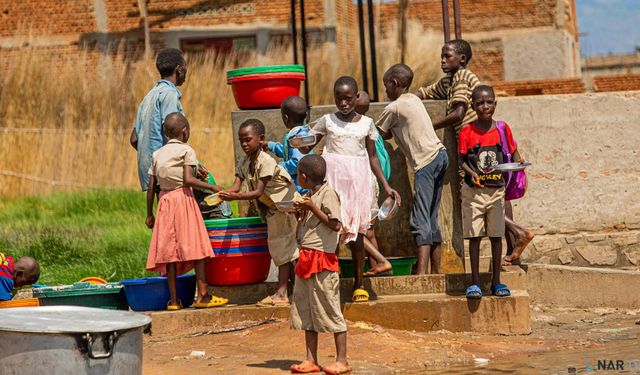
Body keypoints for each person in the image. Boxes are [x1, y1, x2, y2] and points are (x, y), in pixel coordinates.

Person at [308, 76, 400, 302]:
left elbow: (372, 157)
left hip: (358, 184)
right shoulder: (327, 121)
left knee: (357, 237)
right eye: (339, 99)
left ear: (356, 96)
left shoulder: (366, 124)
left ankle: (359, 285)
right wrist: (297, 142)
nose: (344, 103)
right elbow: (309, 143)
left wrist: (386, 186)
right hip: (334, 184)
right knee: (333, 234)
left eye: (348, 98)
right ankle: (331, 285)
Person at [146, 112, 228, 310]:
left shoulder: (157, 154)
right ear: (185, 131)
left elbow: (151, 187)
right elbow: (188, 180)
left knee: (170, 252)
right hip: (183, 199)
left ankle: (174, 301)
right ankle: (203, 296)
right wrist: (212, 187)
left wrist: (149, 213)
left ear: (165, 133)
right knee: (197, 245)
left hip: (164, 202)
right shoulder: (187, 150)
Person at [377, 64, 449, 274]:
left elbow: (377, 133)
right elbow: (393, 130)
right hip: (440, 156)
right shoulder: (414, 100)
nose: (385, 91)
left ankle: (421, 274)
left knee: (419, 219)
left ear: (395, 84)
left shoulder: (394, 108)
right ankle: (437, 272)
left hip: (425, 163)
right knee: (431, 217)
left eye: (386, 86)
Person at [220, 119, 300, 306]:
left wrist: (234, 198)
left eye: (248, 140)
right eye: (241, 141)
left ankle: (282, 293)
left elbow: (257, 192)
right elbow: (236, 186)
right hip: (274, 210)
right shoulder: (245, 161)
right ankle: (293, 291)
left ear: (261, 139)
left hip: (286, 208)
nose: (244, 144)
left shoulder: (266, 161)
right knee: (285, 251)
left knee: (283, 250)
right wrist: (222, 193)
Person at [290, 154, 350, 375]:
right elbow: (313, 225)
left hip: (322, 261)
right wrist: (301, 213)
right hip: (306, 258)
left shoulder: (328, 195)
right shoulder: (309, 195)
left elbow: (335, 225)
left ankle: (342, 360)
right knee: (307, 311)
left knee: (331, 310)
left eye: (298, 175)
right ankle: (311, 359)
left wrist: (313, 208)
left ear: (304, 177)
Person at [458, 85, 520, 299]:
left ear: (495, 103)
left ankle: (496, 281)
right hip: (473, 192)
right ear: (473, 106)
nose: (485, 106)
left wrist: (519, 163)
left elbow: (513, 151)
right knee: (474, 237)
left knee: (496, 236)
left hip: (496, 191)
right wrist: (471, 173)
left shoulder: (502, 129)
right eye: (480, 103)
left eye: (489, 102)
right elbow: (462, 161)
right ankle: (474, 281)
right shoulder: (467, 131)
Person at [131, 48, 188, 192]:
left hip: (150, 169)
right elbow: (174, 132)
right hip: (167, 169)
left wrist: (154, 157)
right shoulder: (169, 94)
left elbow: (134, 139)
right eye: (185, 67)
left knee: (164, 208)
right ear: (179, 69)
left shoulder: (148, 97)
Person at [354, 91, 392, 276]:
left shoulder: (360, 128)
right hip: (371, 183)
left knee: (354, 230)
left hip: (364, 185)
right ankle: (377, 266)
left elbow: (372, 158)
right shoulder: (371, 126)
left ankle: (380, 263)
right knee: (368, 231)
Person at [415, 39, 480, 135]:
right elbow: (425, 92)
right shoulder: (448, 80)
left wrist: (432, 126)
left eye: (447, 56)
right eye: (442, 57)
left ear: (462, 59)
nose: (443, 61)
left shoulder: (462, 76)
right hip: (466, 136)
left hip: (475, 134)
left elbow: (458, 114)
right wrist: (407, 99)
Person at [266, 96, 313, 194]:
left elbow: (297, 163)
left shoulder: (299, 137)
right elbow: (287, 151)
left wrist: (279, 167)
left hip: (302, 189)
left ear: (286, 118)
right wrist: (271, 146)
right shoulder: (297, 134)